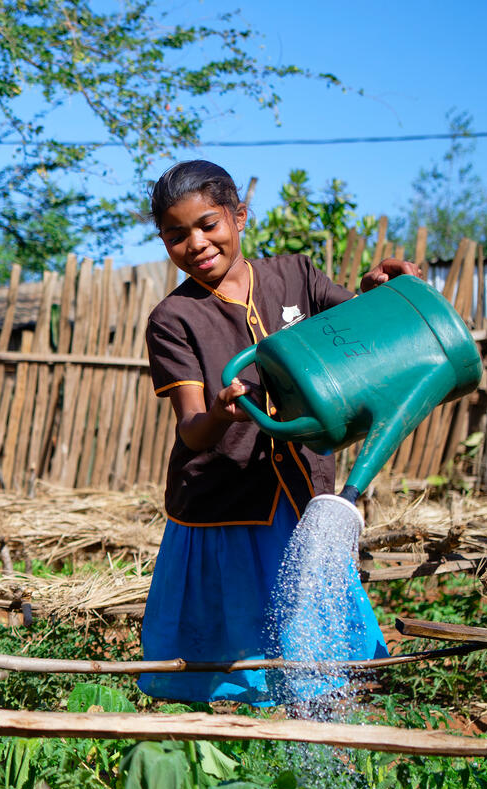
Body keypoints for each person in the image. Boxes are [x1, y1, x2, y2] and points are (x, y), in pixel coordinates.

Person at [136, 159, 414, 706]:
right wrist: (222, 412)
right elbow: (193, 432)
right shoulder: (174, 319)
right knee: (235, 641)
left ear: (239, 216)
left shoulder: (296, 277)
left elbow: (359, 330)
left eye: (208, 224)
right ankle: (239, 722)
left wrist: (380, 290)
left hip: (302, 487)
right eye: (176, 235)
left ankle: (321, 704)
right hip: (225, 498)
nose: (195, 243)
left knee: (311, 610)